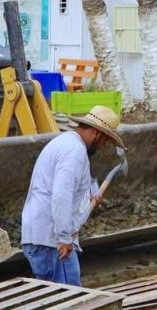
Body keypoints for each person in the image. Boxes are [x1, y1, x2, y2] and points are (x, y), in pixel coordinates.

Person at [20, 106, 125, 286]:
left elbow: (67, 187)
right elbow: (61, 195)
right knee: (69, 296)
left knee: (52, 296)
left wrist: (88, 196)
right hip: (52, 241)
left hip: (42, 236)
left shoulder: (66, 143)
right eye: (105, 141)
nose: (102, 147)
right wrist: (64, 238)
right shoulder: (74, 152)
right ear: (97, 134)